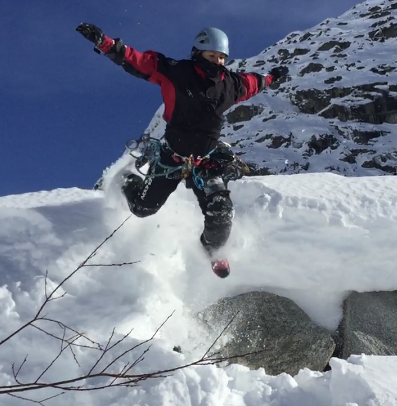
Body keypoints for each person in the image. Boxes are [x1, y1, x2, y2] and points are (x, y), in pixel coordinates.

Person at [76, 22, 288, 278]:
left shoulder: (230, 84)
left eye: (222, 57)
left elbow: (253, 83)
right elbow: (137, 61)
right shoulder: (175, 72)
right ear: (198, 53)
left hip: (207, 161)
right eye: (212, 56)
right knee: (144, 209)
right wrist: (105, 43)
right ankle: (127, 180)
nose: (218, 61)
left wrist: (272, 77)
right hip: (172, 159)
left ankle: (211, 250)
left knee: (221, 209)